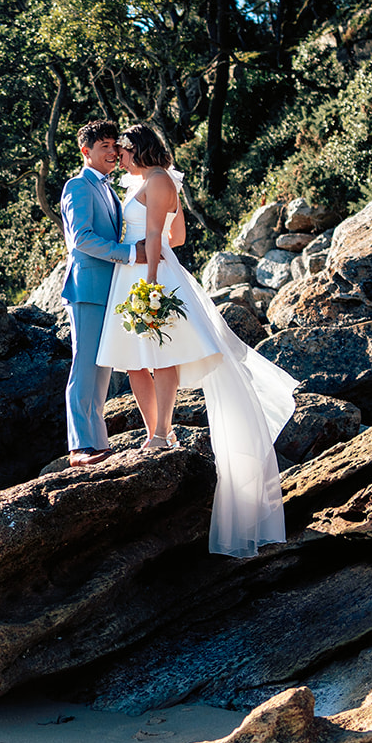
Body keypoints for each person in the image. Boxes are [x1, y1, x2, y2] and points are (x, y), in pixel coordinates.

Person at [96, 124, 298, 558]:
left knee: (162, 355)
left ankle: (162, 433)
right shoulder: (145, 181)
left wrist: (150, 287)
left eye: (124, 150)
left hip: (147, 275)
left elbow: (158, 238)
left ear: (139, 149)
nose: (120, 157)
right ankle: (153, 430)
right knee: (134, 361)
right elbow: (180, 237)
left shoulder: (161, 180)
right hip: (132, 272)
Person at [59, 121, 146, 467]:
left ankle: (97, 442)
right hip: (86, 287)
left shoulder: (107, 189)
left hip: (110, 288)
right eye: (104, 146)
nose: (112, 152)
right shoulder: (77, 186)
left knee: (102, 368)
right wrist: (128, 254)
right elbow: (80, 238)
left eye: (114, 145)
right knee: (84, 366)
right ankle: (80, 447)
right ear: (86, 152)